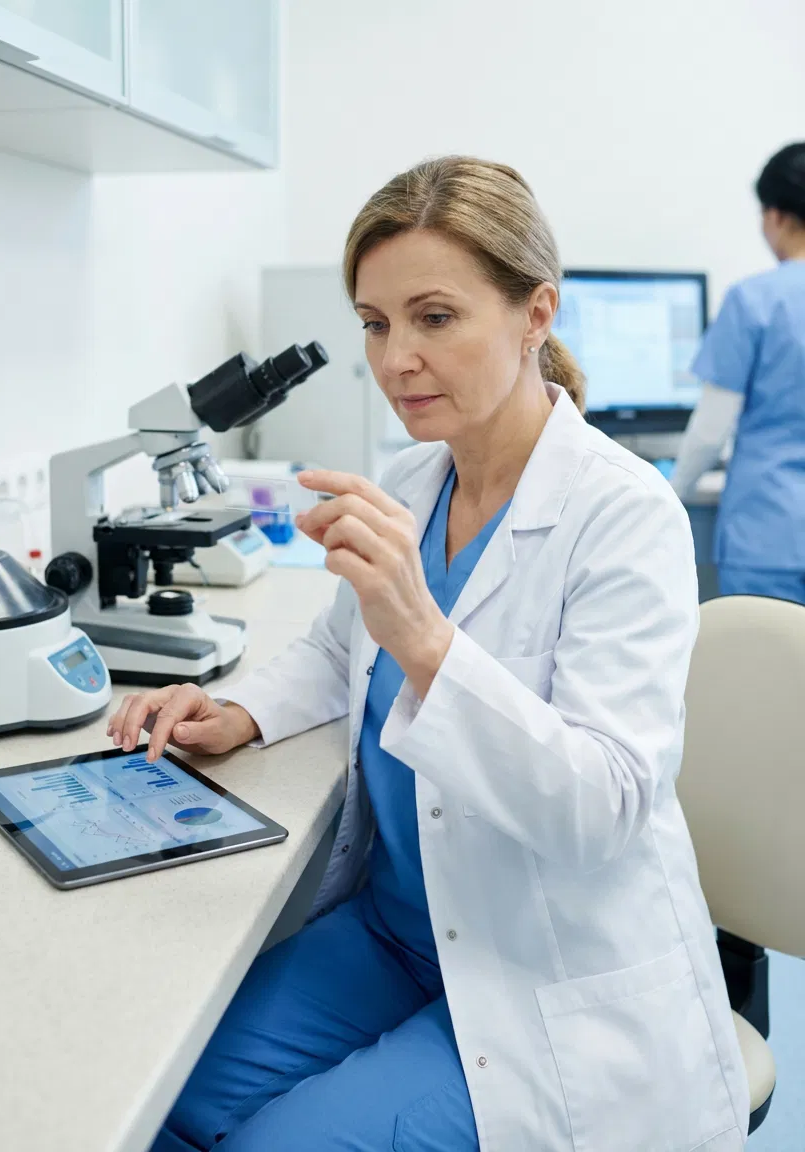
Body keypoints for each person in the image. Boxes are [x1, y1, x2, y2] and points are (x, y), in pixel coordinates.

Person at [110, 156, 748, 1151]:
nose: (396, 356)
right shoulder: (412, 480)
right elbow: (335, 652)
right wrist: (235, 713)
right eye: (375, 322)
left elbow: (602, 809)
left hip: (542, 968)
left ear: (535, 313)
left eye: (434, 317)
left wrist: (426, 639)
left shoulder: (624, 516)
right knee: (154, 1095)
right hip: (402, 932)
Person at [671, 142, 805, 603]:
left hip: (771, 537)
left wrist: (670, 493)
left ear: (775, 216)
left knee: (769, 672)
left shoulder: (755, 300)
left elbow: (710, 432)